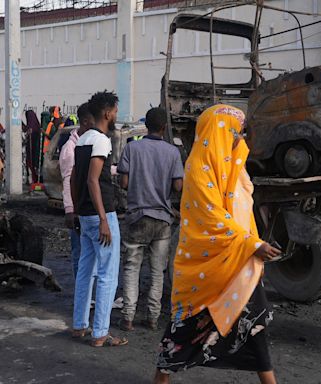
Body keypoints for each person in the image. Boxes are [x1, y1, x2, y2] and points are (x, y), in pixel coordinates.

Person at [153, 104, 281, 384]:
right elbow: (210, 217)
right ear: (217, 131)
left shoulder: (235, 166)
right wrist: (251, 244)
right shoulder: (199, 168)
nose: (239, 137)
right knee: (184, 330)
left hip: (240, 263)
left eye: (240, 131)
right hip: (206, 265)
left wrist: (253, 245)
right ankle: (160, 379)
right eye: (234, 131)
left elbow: (244, 211)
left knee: (254, 325)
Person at [117, 107, 184, 331]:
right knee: (157, 272)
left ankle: (127, 317)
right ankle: (153, 318)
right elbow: (177, 186)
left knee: (131, 268)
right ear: (164, 128)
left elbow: (124, 183)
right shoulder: (173, 152)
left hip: (136, 217)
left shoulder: (132, 148)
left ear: (146, 125)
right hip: (163, 219)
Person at [70, 91, 127, 347]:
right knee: (107, 275)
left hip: (85, 214)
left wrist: (77, 209)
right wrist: (104, 218)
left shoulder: (82, 139)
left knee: (85, 271)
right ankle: (100, 333)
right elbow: (93, 180)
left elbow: (74, 178)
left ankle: (80, 325)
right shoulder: (102, 140)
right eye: (115, 111)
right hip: (102, 215)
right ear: (107, 113)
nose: (116, 115)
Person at [59, 103, 95, 278]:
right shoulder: (70, 150)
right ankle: (82, 297)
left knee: (90, 255)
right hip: (78, 210)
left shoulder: (89, 143)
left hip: (89, 208)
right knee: (79, 254)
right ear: (87, 122)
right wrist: (70, 211)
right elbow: (67, 180)